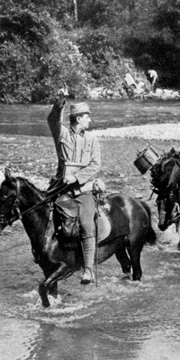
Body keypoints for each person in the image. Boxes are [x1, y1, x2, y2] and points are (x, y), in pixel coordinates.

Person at [47, 96, 101, 285]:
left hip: (83, 190)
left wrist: (76, 177)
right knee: (41, 216)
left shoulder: (92, 140)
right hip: (60, 189)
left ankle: (88, 270)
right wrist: (59, 103)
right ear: (78, 118)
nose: (90, 120)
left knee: (86, 224)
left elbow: (95, 166)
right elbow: (53, 120)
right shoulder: (61, 134)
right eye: (87, 117)